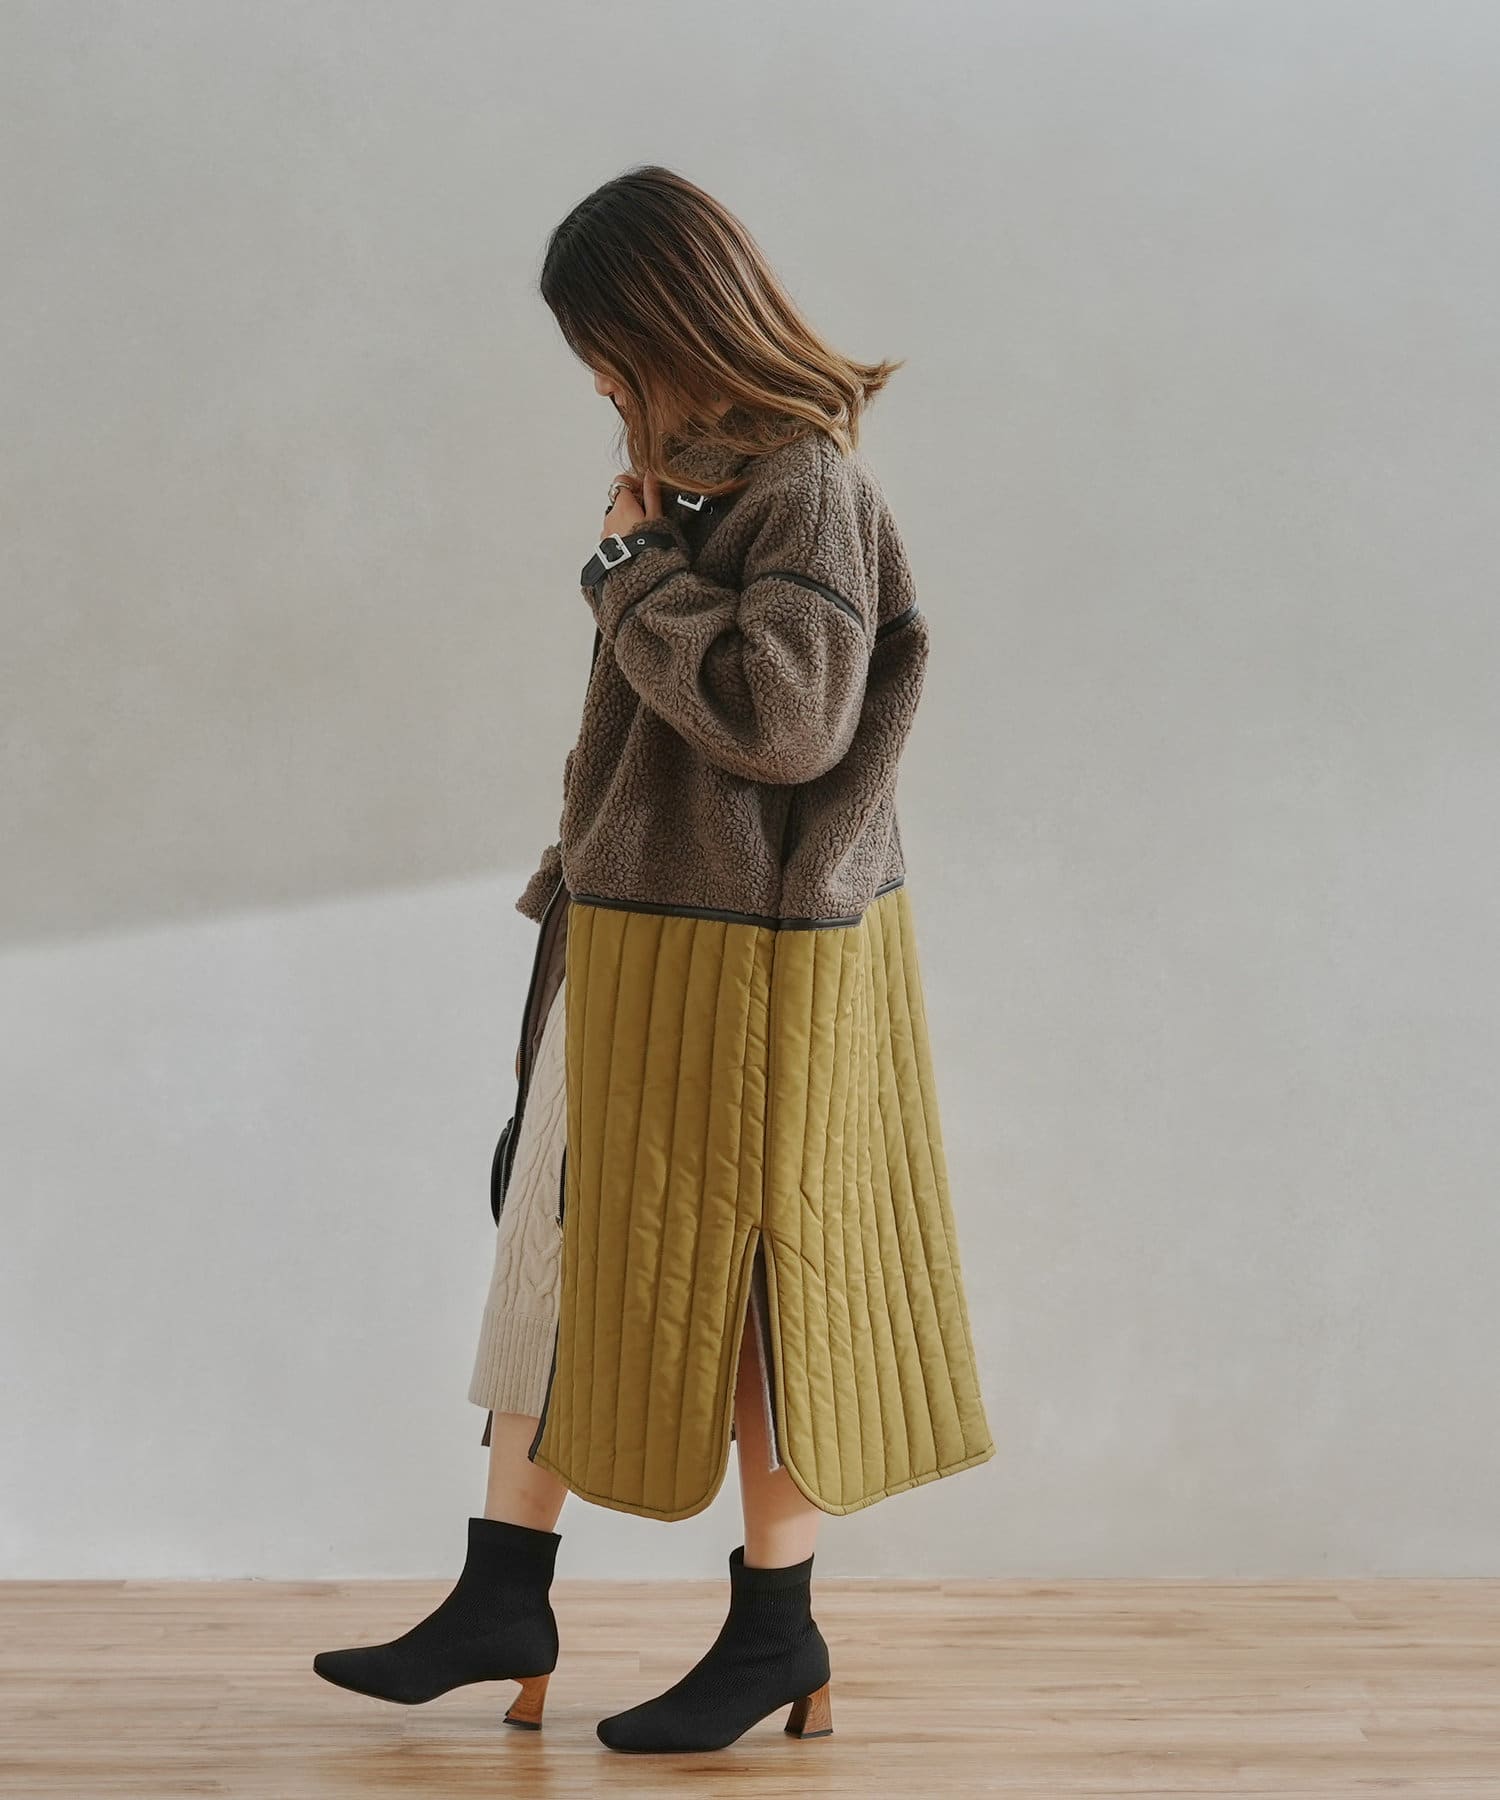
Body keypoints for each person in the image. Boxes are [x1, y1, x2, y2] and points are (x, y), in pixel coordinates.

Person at [313, 163, 995, 1755]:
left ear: (675, 325)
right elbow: (650, 751)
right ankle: (503, 1590)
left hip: (750, 969)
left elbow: (787, 722)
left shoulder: (803, 488)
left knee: (760, 1290)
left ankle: (775, 1627)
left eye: (609, 354)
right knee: (552, 1242)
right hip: (635, 940)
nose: (601, 387)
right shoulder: (698, 494)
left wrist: (635, 580)